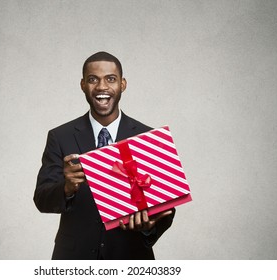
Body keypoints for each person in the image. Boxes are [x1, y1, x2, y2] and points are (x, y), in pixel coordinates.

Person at [34, 51, 175, 260]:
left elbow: (166, 206)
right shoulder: (60, 136)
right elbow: (42, 198)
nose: (101, 87)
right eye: (93, 79)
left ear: (123, 84)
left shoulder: (148, 138)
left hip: (131, 257)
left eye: (111, 79)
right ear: (83, 85)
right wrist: (66, 188)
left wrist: (149, 226)